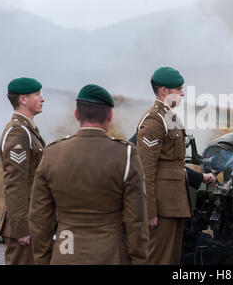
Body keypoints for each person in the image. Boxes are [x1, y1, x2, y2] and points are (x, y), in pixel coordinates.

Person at [29, 84, 149, 264]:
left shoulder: (52, 154)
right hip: (110, 255)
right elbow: (136, 222)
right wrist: (140, 260)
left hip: (64, 254)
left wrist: (43, 260)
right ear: (110, 116)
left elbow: (39, 219)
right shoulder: (125, 155)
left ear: (77, 115)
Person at [136, 67, 214, 265]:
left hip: (173, 204)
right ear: (164, 91)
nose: (182, 93)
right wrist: (150, 211)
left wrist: (200, 177)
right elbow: (145, 170)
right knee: (157, 258)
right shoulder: (154, 121)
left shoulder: (169, 117)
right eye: (178, 89)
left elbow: (172, 166)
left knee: (170, 259)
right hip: (162, 207)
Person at [0, 77, 45, 265]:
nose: (42, 99)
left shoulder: (27, 130)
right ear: (23, 99)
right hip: (24, 224)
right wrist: (21, 228)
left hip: (31, 220)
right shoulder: (19, 132)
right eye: (37, 94)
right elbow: (15, 184)